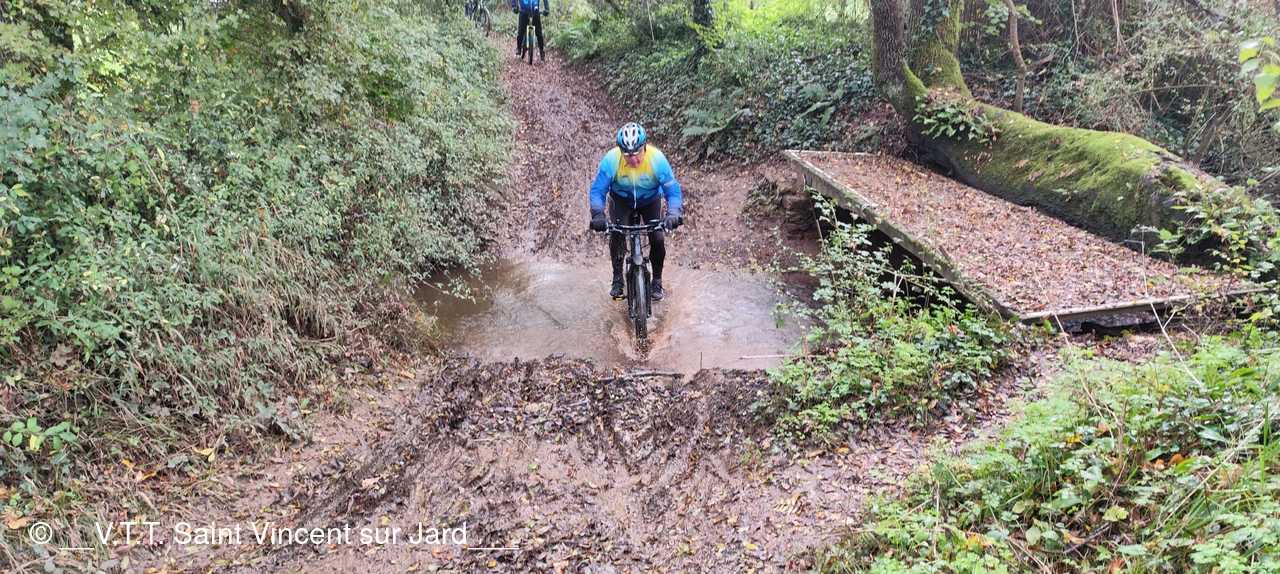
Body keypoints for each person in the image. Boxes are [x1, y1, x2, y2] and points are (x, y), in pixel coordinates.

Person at [588, 123, 684, 301]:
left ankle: (657, 281)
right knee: (617, 235)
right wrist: (598, 214)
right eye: (627, 154)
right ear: (620, 151)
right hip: (621, 201)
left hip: (650, 201)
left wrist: (673, 213)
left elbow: (672, 190)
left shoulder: (657, 159)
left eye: (637, 152)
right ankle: (617, 279)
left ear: (644, 146)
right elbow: (598, 191)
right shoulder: (611, 160)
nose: (633, 159)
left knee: (657, 238)